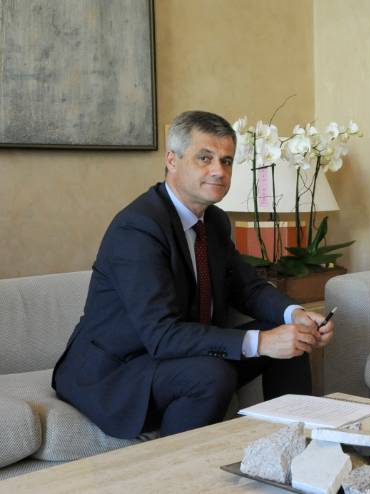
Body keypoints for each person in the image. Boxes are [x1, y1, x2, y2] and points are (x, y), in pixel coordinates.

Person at [52, 110, 333, 438]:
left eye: (226, 161)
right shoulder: (138, 228)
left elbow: (247, 287)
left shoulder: (214, 221)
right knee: (211, 374)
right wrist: (262, 342)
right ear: (172, 160)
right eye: (205, 158)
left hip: (179, 353)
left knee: (293, 338)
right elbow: (161, 335)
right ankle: (178, 466)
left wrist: (295, 315)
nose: (219, 171)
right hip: (118, 369)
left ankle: (292, 446)